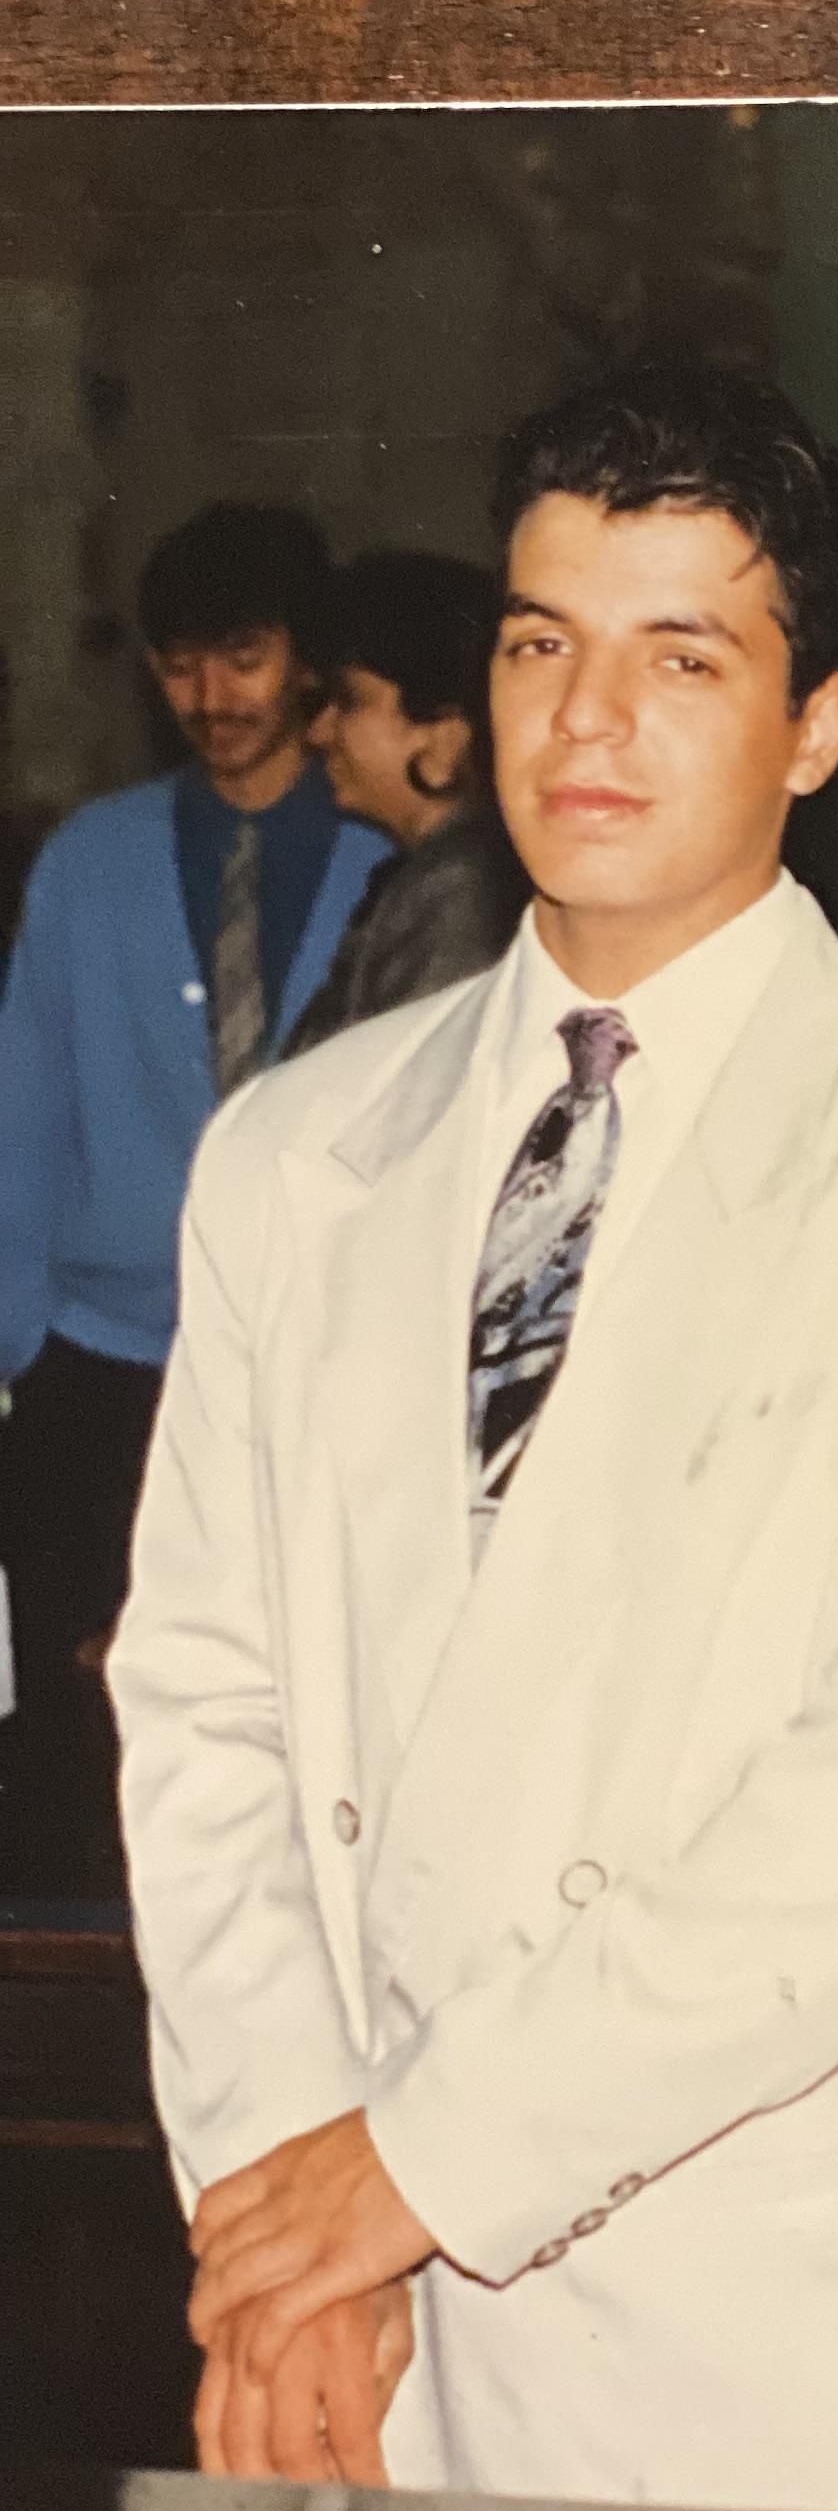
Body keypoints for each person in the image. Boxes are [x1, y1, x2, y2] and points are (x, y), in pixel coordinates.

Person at [110, 361, 838, 2511]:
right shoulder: (299, 1150)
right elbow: (202, 1704)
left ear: (822, 724)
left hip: (749, 2316)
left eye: (684, 657)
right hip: (342, 2331)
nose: (589, 724)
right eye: (538, 646)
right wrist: (292, 2228)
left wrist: (414, 2168)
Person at [0, 503, 385, 1891]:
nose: (213, 699)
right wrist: (20, 1337)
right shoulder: (92, 860)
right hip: (103, 1373)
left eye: (245, 657)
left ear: (309, 663)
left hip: (312, 1373)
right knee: (86, 1759)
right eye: (180, 667)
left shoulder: (384, 852)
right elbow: (24, 1111)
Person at [282, 547, 528, 1055]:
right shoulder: (441, 876)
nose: (319, 731)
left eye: (348, 701)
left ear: (444, 738)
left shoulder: (461, 891)